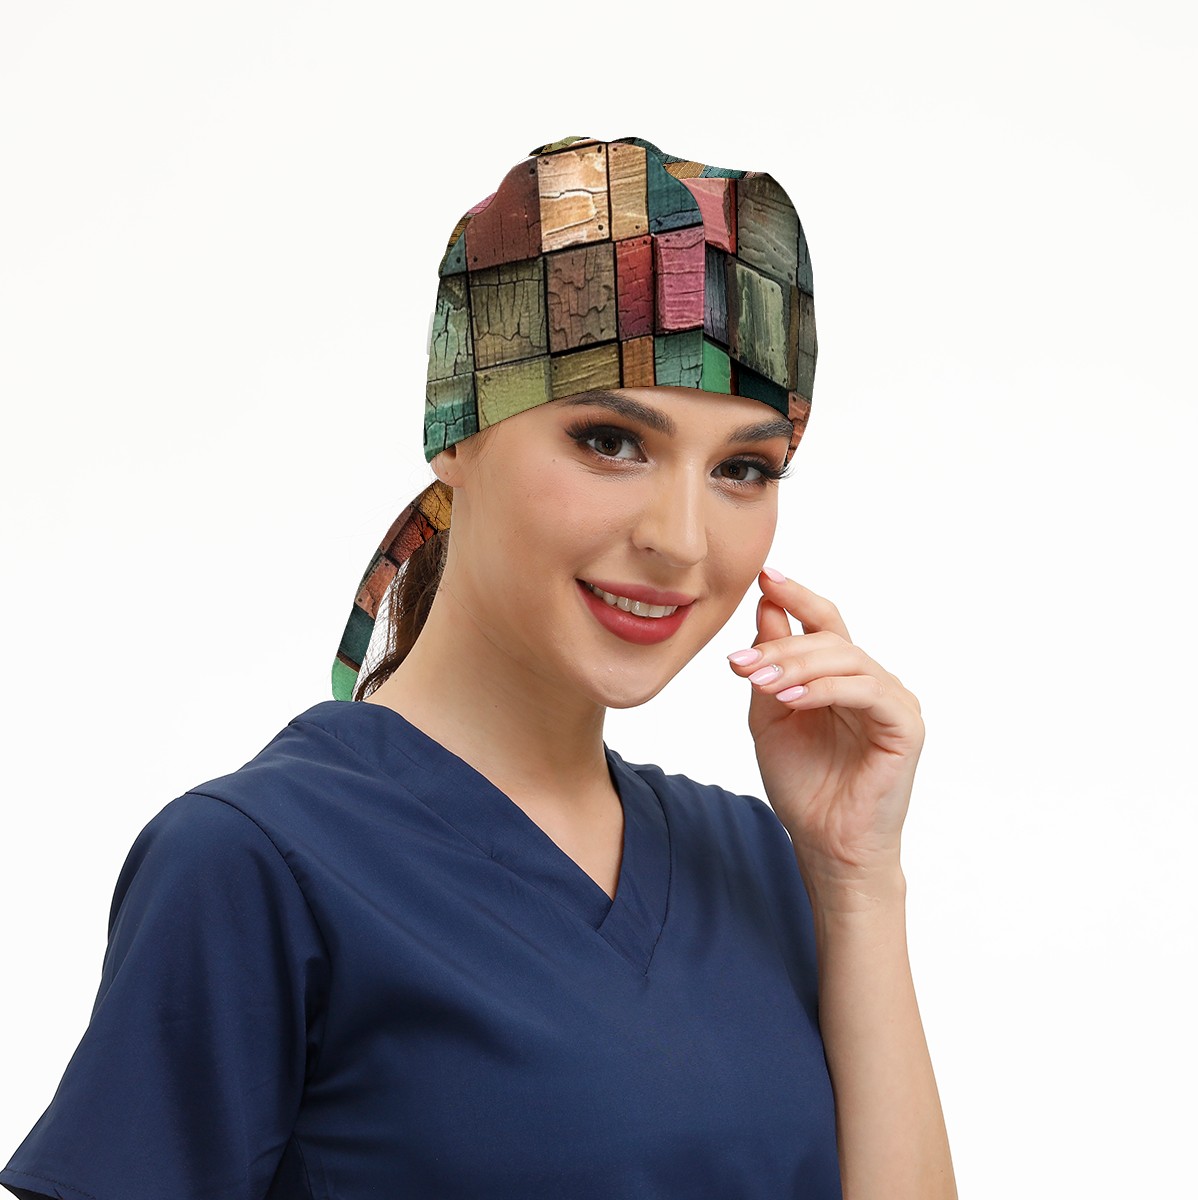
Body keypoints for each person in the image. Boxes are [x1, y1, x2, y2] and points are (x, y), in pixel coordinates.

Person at [1, 135, 957, 1199]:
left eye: (742, 468)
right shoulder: (254, 864)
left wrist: (856, 878)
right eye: (610, 441)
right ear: (456, 431)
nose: (682, 540)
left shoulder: (751, 859)